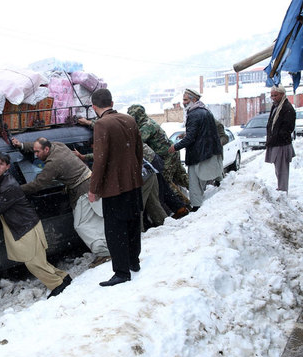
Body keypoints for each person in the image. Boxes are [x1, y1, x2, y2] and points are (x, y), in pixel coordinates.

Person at [0, 152, 72, 299]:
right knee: (39, 261)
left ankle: (57, 284)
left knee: (32, 262)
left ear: (8, 167)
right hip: (23, 224)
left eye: (1, 164)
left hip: (26, 226)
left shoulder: (9, 186)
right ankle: (64, 277)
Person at [11, 136, 110, 264]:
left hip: (83, 190)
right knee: (97, 219)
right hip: (91, 184)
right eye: (34, 151)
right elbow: (38, 145)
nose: (35, 155)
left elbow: (37, 184)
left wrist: (14, 190)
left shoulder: (53, 164)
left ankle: (104, 253)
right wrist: (22, 145)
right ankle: (110, 246)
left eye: (37, 152)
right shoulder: (58, 145)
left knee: (82, 225)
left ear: (47, 149)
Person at [89, 88, 144, 287]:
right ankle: (133, 261)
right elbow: (139, 150)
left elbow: (100, 160)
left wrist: (93, 188)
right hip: (133, 182)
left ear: (94, 107)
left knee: (115, 230)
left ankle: (121, 272)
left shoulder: (101, 124)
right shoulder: (129, 119)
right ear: (111, 103)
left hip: (114, 187)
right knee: (132, 224)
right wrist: (134, 173)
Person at [126, 104, 190, 215]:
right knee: (181, 177)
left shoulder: (146, 126)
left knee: (166, 183)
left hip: (166, 156)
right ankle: (197, 195)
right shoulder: (148, 122)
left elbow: (137, 142)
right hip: (170, 153)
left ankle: (183, 205)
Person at [168, 89, 223, 212]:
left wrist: (175, 147)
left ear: (194, 100)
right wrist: (185, 134)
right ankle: (218, 184)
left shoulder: (193, 114)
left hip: (199, 153)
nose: (183, 103)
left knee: (194, 182)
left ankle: (196, 207)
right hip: (208, 151)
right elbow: (201, 131)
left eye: (186, 100)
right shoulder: (205, 111)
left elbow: (191, 138)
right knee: (207, 176)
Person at [265, 84, 296, 192]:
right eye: (272, 95)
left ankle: (282, 191)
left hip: (282, 144)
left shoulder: (287, 108)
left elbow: (288, 127)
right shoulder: (275, 106)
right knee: (278, 170)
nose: (273, 98)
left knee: (282, 171)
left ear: (282, 94)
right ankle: (281, 189)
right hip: (275, 143)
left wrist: (277, 136)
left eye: (275, 95)